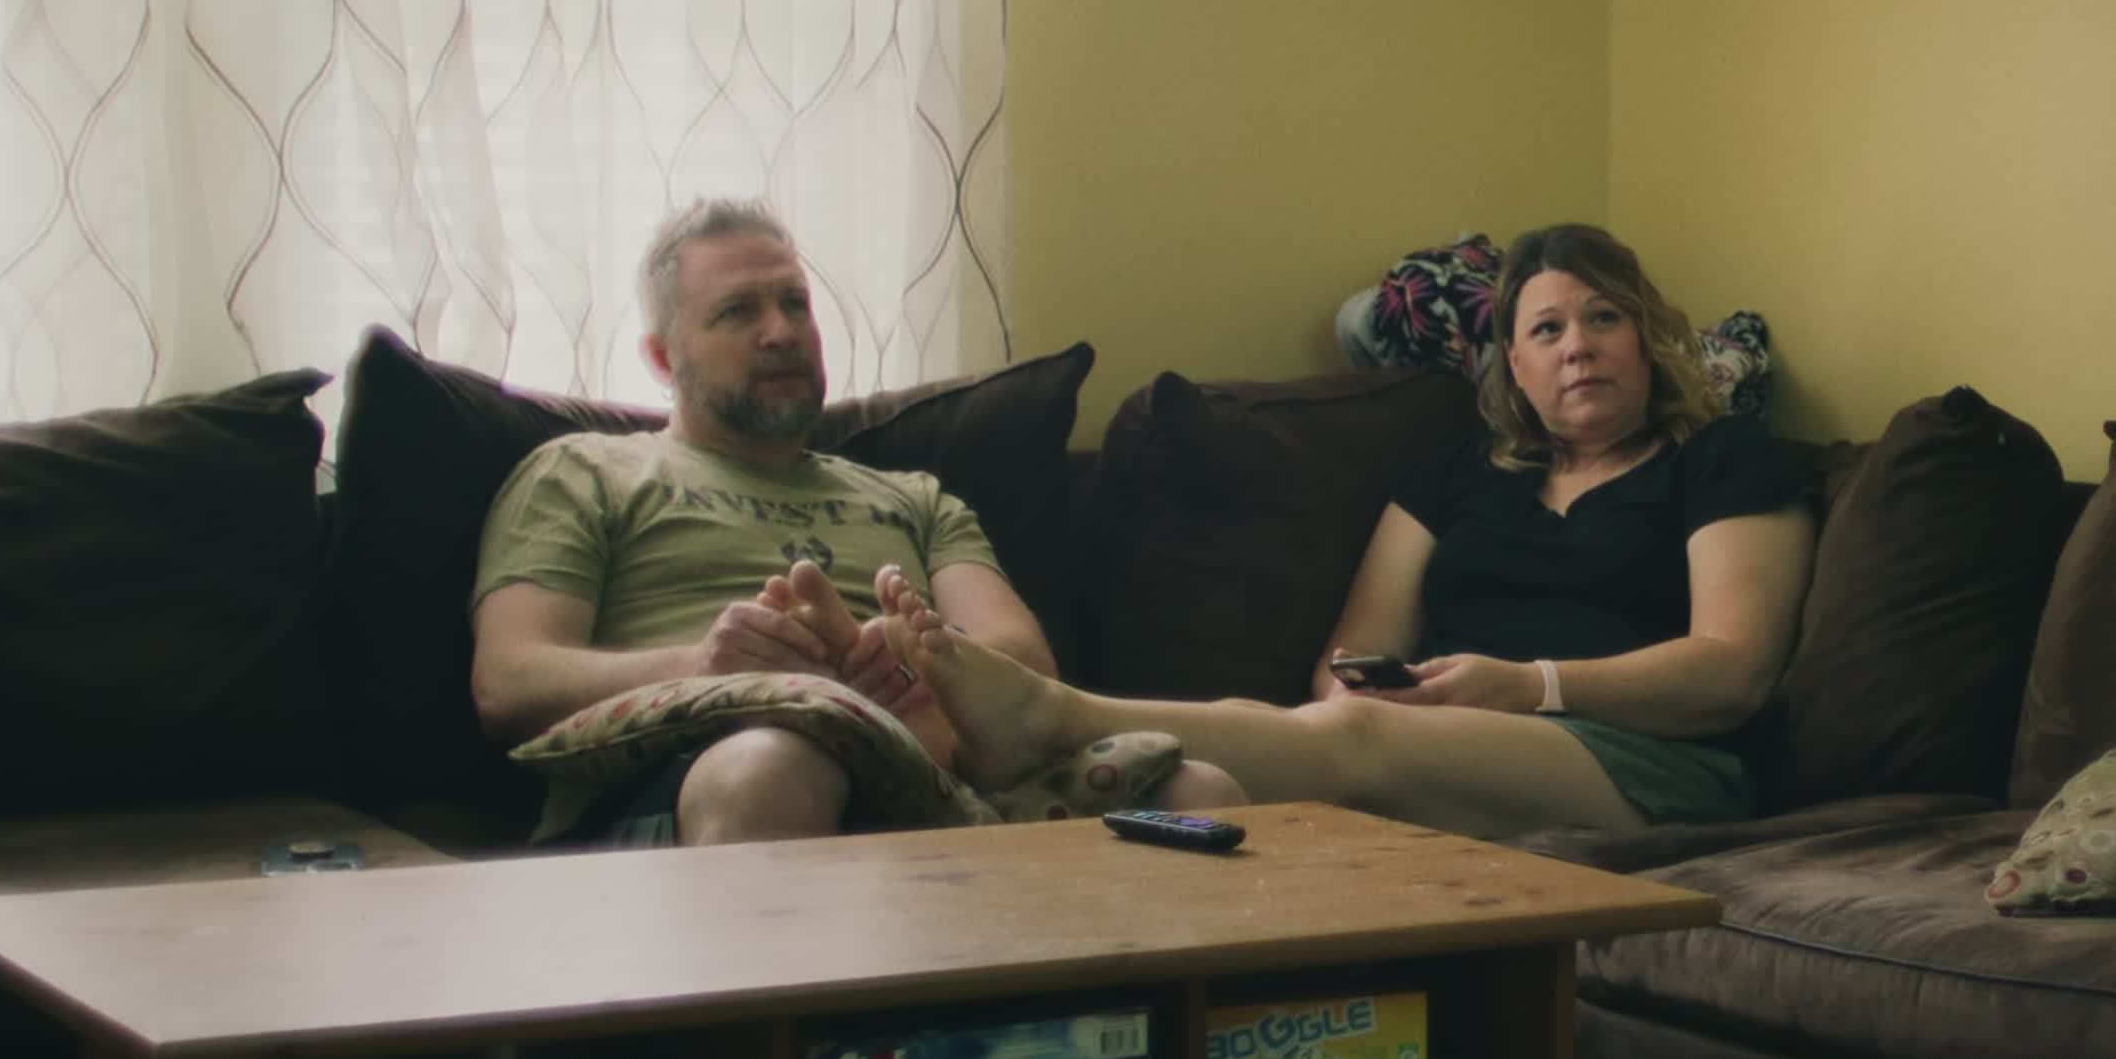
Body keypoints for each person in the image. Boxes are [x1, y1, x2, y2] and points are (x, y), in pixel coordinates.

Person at [885, 223, 1816, 841]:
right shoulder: (1458, 476)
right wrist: (1384, 686)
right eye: (1547, 330)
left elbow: (1730, 671)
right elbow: (1346, 660)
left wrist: (1528, 686)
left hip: (1649, 762)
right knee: (1254, 736)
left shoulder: (1722, 459)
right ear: (1515, 367)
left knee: (1355, 736)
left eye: (1603, 318)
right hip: (1449, 734)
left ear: (1645, 339)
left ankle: (1051, 716)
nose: (1577, 344)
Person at [468, 196, 1243, 845]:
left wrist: (918, 661)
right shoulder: (585, 472)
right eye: (738, 311)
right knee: (776, 764)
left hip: (942, 778)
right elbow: (508, 682)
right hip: (697, 773)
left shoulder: (915, 498)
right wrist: (706, 665)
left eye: (794, 303)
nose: (780, 331)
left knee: (1198, 788)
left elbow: (1022, 661)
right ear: (664, 358)